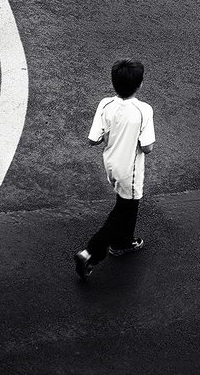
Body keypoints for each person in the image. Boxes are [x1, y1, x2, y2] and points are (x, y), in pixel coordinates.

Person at [74, 58, 155, 280]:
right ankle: (91, 252)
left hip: (111, 165)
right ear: (140, 85)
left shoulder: (105, 104)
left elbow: (93, 139)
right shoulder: (143, 110)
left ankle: (123, 243)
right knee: (123, 212)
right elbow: (147, 148)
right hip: (130, 170)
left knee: (126, 204)